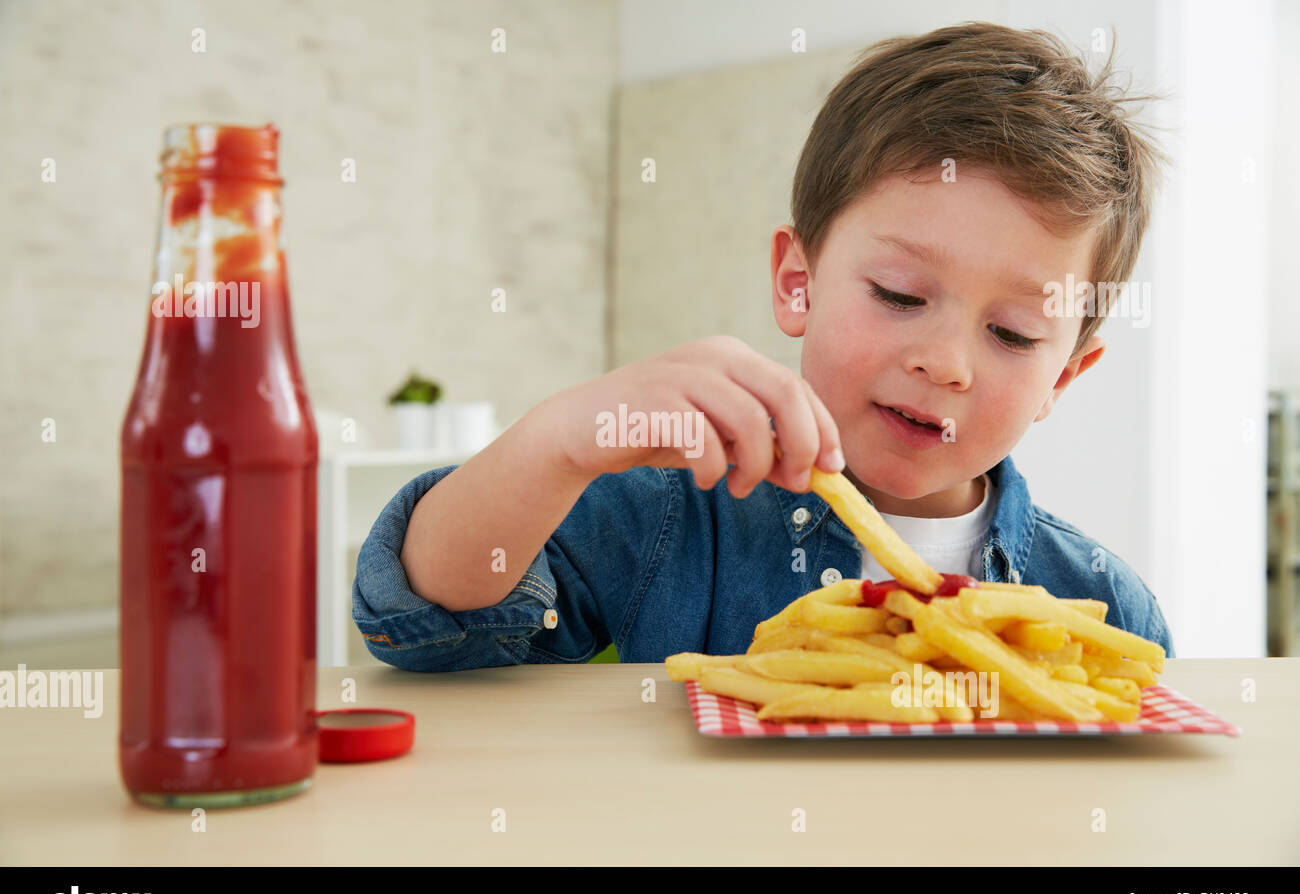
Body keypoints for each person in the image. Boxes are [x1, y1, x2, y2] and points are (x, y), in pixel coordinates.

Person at [353, 22, 1173, 671]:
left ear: (1063, 376)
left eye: (1013, 334)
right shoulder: (669, 516)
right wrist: (563, 439)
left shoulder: (1103, 609)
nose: (946, 364)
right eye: (898, 293)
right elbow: (428, 619)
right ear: (797, 283)